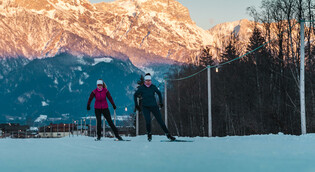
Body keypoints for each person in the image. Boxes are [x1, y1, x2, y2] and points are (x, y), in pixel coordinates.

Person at [134, 73, 176, 141]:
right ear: (144, 81)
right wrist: (136, 105)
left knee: (160, 121)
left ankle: (168, 135)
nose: (148, 82)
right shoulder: (141, 88)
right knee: (148, 121)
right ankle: (149, 134)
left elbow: (159, 93)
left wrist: (161, 102)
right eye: (147, 81)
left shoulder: (153, 87)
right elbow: (135, 95)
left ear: (151, 81)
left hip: (154, 106)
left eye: (149, 80)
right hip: (145, 107)